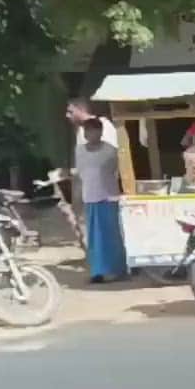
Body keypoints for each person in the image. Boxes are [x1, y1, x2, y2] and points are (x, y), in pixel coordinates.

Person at [73, 118, 127, 284]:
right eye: (88, 131)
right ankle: (97, 271)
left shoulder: (111, 151)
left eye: (96, 131)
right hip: (90, 197)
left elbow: (118, 173)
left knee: (110, 235)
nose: (92, 134)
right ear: (85, 133)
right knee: (94, 237)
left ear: (101, 132)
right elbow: (79, 174)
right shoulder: (79, 151)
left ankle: (116, 270)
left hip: (108, 197)